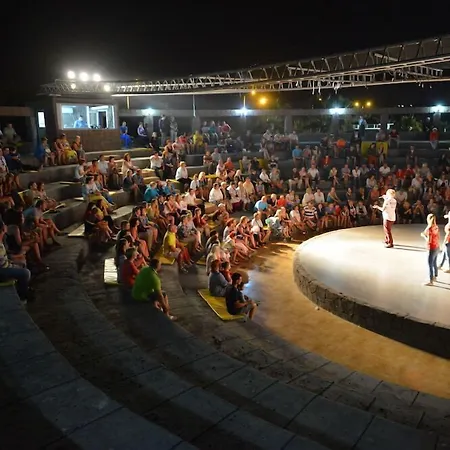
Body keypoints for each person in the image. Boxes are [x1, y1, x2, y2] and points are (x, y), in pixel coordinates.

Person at [0, 219, 32, 302]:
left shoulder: (2, 239)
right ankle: (23, 297)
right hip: (2, 270)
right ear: (2, 229)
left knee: (22, 262)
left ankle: (24, 288)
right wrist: (14, 263)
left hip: (5, 264)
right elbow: (4, 263)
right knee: (25, 273)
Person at [421, 214, 440, 286]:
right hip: (437, 246)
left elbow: (429, 240)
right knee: (434, 262)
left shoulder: (430, 229)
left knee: (430, 264)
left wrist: (424, 236)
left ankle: (430, 280)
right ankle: (435, 276)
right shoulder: (436, 227)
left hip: (431, 248)